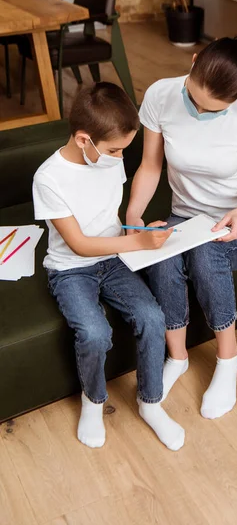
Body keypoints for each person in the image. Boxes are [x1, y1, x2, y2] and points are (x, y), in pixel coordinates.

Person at [126, 35, 237, 420]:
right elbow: (150, 166)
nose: (197, 110)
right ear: (193, 61)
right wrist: (132, 220)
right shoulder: (161, 95)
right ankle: (177, 357)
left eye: (210, 110)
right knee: (164, 252)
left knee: (204, 248)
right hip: (187, 218)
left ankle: (228, 358)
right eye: (193, 99)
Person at [33, 82, 184, 451]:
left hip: (114, 259)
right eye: (114, 149)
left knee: (151, 316)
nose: (120, 158)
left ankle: (151, 402)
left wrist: (138, 229)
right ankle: (93, 402)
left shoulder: (108, 159)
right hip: (71, 268)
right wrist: (136, 242)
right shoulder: (48, 178)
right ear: (84, 139)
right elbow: (80, 244)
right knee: (95, 333)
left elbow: (108, 218)